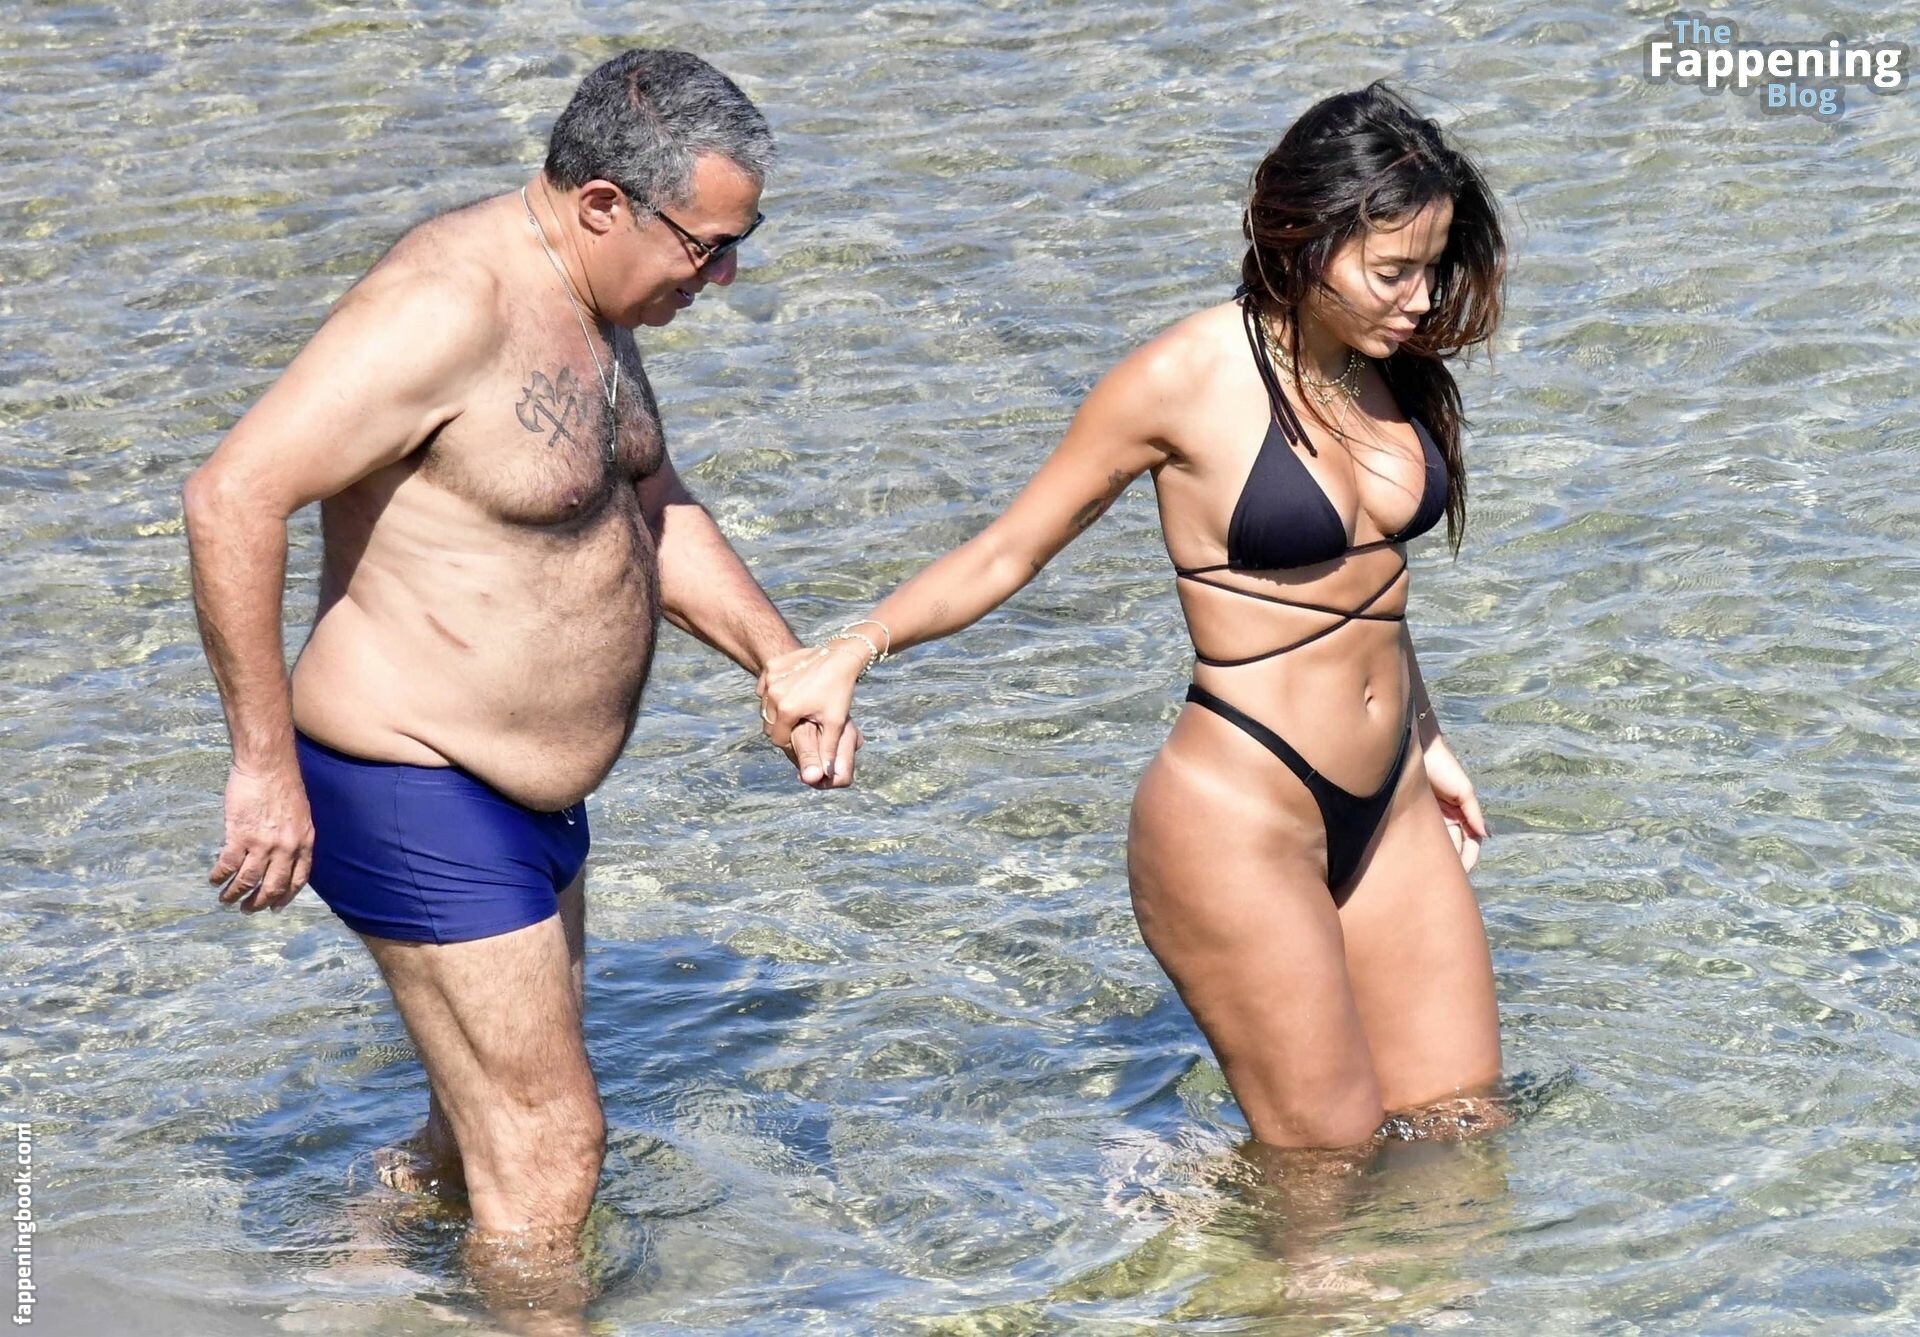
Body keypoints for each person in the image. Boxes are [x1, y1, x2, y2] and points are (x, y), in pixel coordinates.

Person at [182, 47, 858, 1310]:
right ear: (603, 203)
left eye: (739, 243)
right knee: (551, 1146)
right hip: (410, 780)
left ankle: (340, 1289)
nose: (722, 276)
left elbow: (645, 499)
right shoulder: (445, 309)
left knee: (479, 1133)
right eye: (706, 247)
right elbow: (232, 495)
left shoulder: (597, 301)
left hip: (523, 799)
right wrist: (262, 767)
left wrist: (782, 659)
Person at [759, 81, 1509, 1151]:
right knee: (1327, 1165)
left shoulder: (1383, 369)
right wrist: (852, 649)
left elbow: (1367, 584)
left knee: (1463, 1128)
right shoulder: (1184, 378)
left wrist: (1427, 738)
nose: (1421, 299)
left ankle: (1200, 1196)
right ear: (1303, 239)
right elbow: (1010, 547)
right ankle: (1188, 1218)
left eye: (1432, 268)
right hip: (1241, 815)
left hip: (1388, 798)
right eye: (1395, 271)